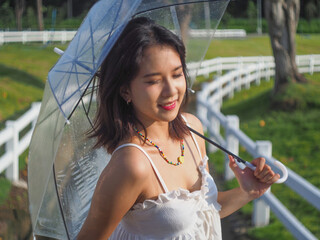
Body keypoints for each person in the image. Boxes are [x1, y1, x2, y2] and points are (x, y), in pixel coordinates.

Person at [77, 17, 280, 240]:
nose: (170, 90)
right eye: (153, 81)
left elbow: (202, 213)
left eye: (176, 74)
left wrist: (247, 192)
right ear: (125, 91)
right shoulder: (132, 165)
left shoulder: (191, 129)